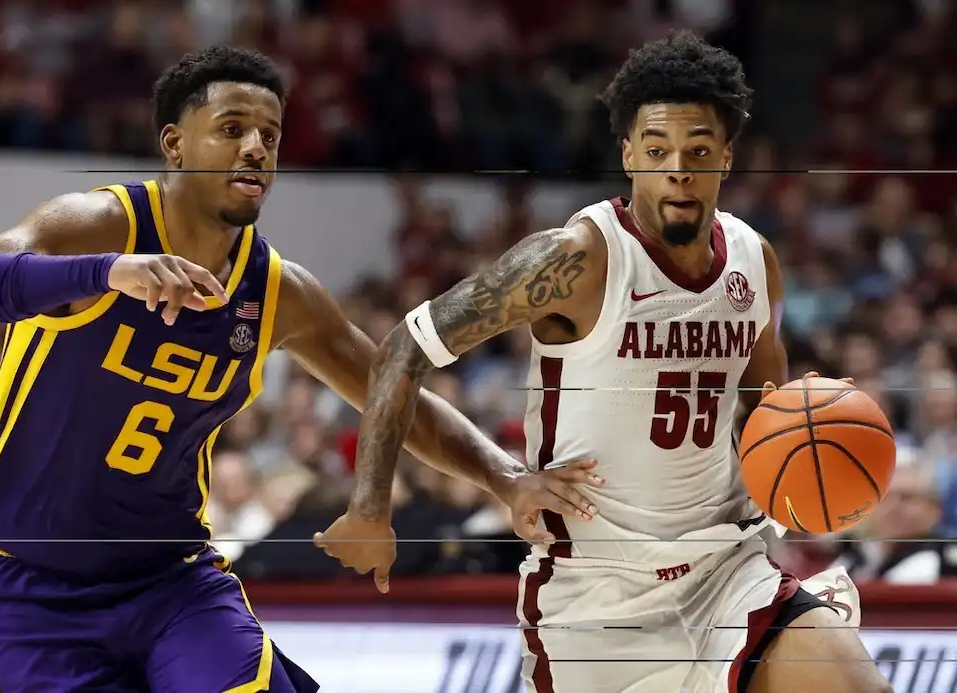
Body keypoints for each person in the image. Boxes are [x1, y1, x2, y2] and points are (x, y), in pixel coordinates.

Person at [0, 45, 602, 693]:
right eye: (232, 129)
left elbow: (393, 389)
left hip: (170, 578)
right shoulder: (98, 225)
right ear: (174, 145)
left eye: (270, 135)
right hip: (32, 584)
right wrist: (103, 273)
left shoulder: (279, 292)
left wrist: (505, 477)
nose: (256, 148)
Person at [319, 32, 893, 693]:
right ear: (628, 154)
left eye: (698, 149)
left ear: (726, 156)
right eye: (657, 149)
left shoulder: (753, 260)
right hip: (594, 599)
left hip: (728, 570)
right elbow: (402, 350)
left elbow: (762, 407)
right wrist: (383, 502)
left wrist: (810, 421)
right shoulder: (575, 259)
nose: (678, 168)